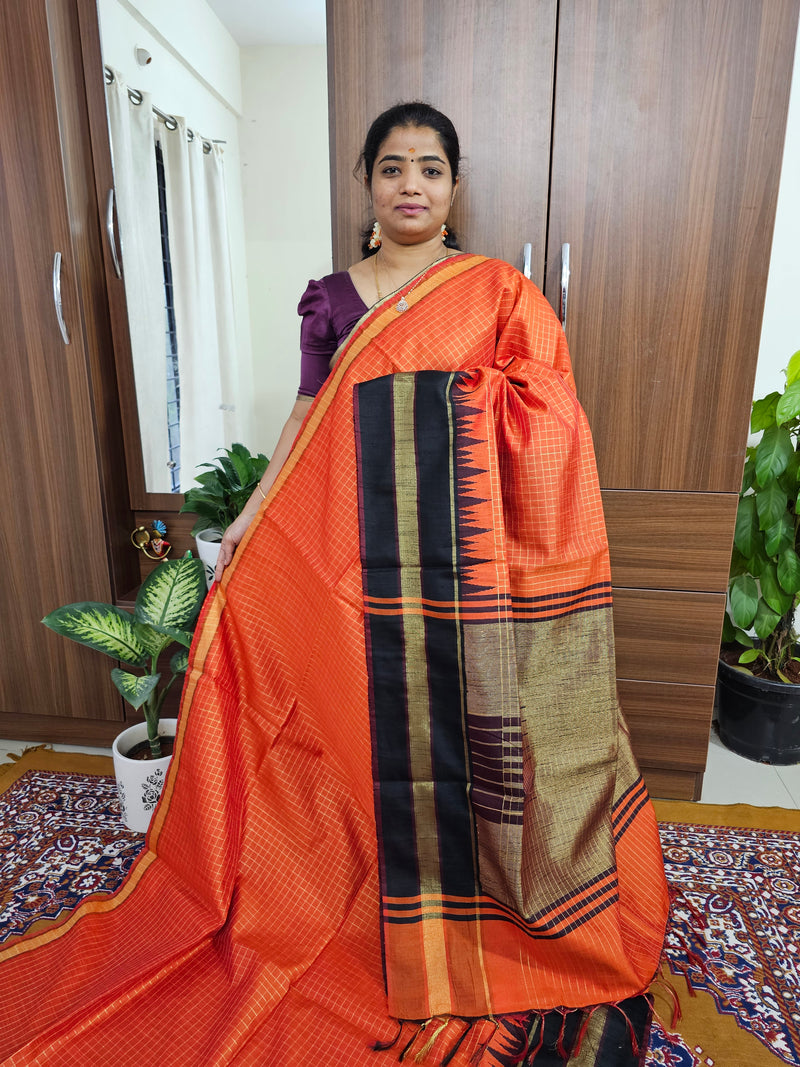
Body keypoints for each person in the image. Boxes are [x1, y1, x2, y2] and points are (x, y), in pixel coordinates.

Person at [0, 103, 669, 1066]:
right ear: (366, 182)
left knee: (463, 739)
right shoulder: (333, 299)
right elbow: (310, 419)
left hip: (462, 580)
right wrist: (246, 522)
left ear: (453, 186)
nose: (411, 185)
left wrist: (452, 406)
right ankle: (354, 900)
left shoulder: (492, 293)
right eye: (392, 167)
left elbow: (546, 406)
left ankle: (470, 906)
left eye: (431, 169)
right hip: (352, 565)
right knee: (354, 738)